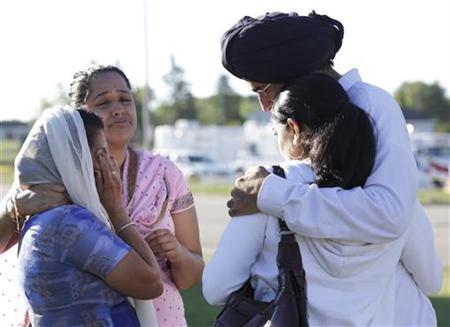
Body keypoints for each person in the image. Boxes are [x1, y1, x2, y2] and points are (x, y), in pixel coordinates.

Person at [218, 11, 442, 324]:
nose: (265, 106)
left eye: (262, 90)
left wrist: (270, 193)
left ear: (297, 76)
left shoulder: (372, 104)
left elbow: (389, 213)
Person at [0, 65, 204, 326]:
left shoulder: (165, 174)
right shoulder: (52, 181)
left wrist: (176, 252)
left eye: (125, 99)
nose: (118, 108)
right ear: (79, 117)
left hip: (163, 316)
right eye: (104, 102)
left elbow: (189, 278)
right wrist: (13, 209)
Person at [15, 106, 163, 326]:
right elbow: (151, 283)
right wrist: (117, 212)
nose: (108, 164)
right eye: (102, 154)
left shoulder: (39, 217)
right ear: (82, 160)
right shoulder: (68, 223)